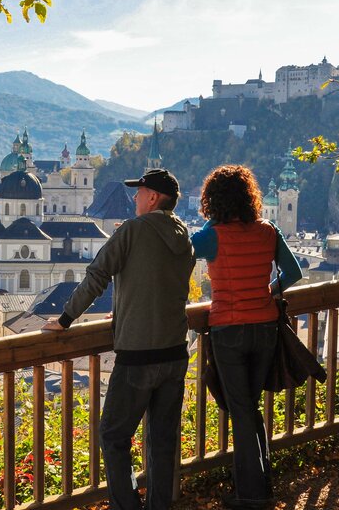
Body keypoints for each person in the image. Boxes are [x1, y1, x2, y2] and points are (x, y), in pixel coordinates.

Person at [42, 168, 195, 510]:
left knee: (113, 435)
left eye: (139, 191)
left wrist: (66, 319)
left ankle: (127, 505)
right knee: (161, 440)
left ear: (153, 197)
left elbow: (97, 275)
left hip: (138, 353)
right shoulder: (183, 234)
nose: (134, 197)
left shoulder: (132, 231)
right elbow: (161, 286)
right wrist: (126, 309)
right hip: (174, 351)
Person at [191, 164, 303, 509]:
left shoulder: (211, 235)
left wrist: (212, 219)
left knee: (240, 410)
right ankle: (261, 481)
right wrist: (267, 291)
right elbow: (294, 272)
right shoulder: (268, 231)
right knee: (248, 407)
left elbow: (183, 250)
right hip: (265, 327)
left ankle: (252, 496)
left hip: (228, 328)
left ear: (212, 200)